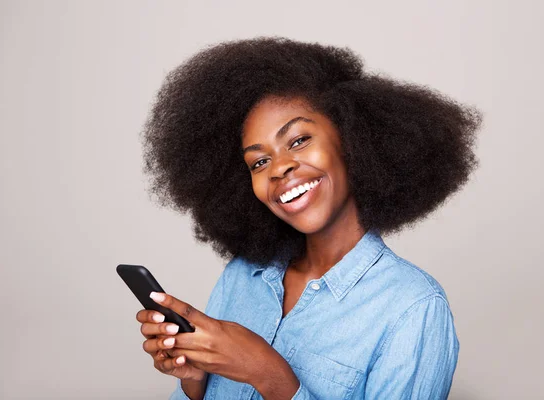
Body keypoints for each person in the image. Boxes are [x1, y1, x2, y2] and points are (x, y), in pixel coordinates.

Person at [135, 37, 481, 399]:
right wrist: (194, 379)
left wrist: (269, 374)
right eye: (259, 161)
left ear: (352, 139)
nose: (279, 168)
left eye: (298, 140)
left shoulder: (413, 309)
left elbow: (266, 374)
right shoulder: (243, 275)